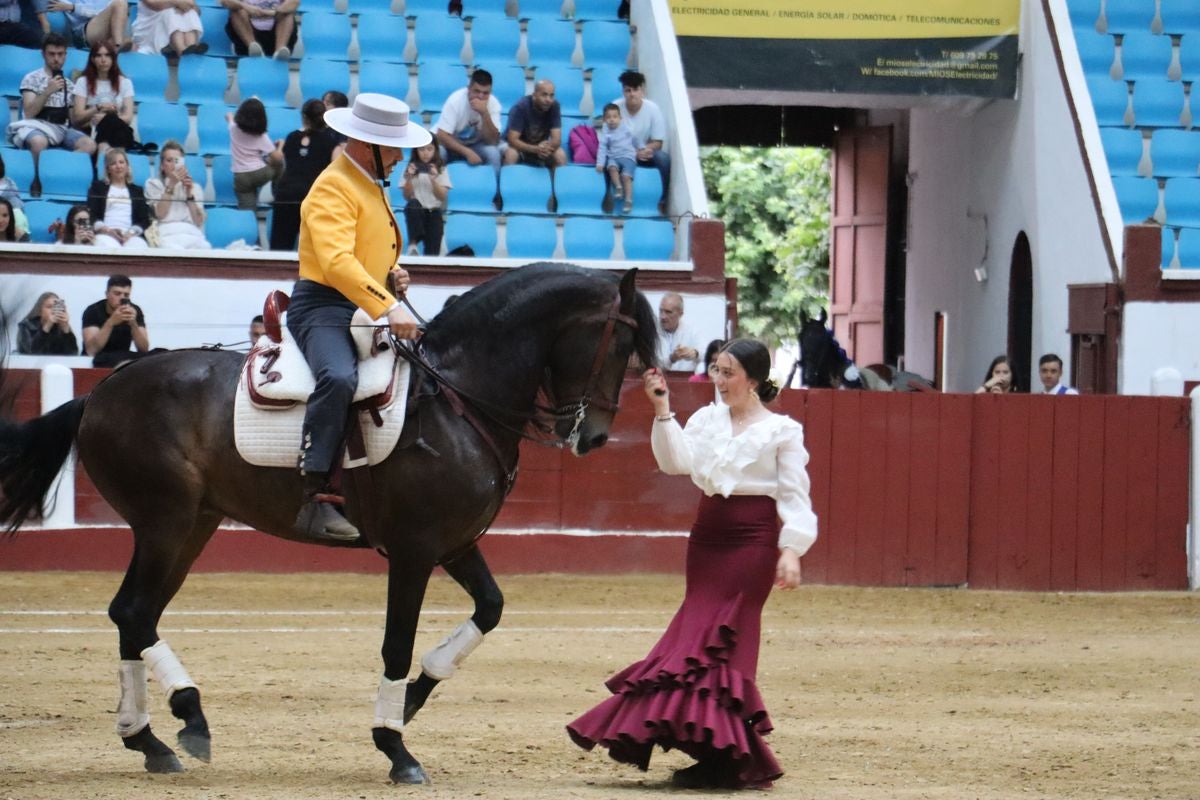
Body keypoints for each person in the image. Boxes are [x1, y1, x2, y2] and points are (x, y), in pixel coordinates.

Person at [568, 339, 816, 790]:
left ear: (753, 381)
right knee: (691, 643)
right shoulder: (706, 419)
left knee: (723, 643)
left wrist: (792, 548)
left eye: (728, 372)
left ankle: (725, 755)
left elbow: (795, 496)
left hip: (753, 545)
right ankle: (716, 752)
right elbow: (675, 463)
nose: (719, 380)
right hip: (707, 542)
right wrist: (662, 409)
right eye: (716, 370)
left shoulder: (782, 431)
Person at [289, 92, 426, 541]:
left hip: (360, 303)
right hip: (323, 306)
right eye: (395, 148)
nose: (401, 157)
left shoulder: (366, 181)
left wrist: (391, 273)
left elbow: (363, 251)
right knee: (339, 377)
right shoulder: (334, 185)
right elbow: (335, 263)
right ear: (369, 146)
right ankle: (314, 495)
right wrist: (387, 305)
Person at [8, 33, 98, 194]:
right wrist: (48, 91)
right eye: (52, 54)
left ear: (65, 55)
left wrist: (93, 111)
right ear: (43, 54)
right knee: (38, 142)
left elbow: (74, 120)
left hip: (62, 127)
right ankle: (37, 181)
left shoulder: (69, 85)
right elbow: (29, 112)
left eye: (60, 54)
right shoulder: (32, 78)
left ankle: (58, 171)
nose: (56, 59)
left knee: (89, 145)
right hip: (36, 125)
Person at [270, 98, 338, 251]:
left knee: (280, 249)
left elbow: (279, 162)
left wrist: (279, 146)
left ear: (304, 117)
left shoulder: (291, 137)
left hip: (286, 196)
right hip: (313, 197)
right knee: (315, 249)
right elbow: (335, 171)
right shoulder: (331, 142)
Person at [614, 70, 669, 214]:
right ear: (623, 92)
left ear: (642, 91)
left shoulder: (653, 109)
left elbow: (658, 142)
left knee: (662, 158)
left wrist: (643, 150)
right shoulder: (615, 109)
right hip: (621, 155)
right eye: (628, 90)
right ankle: (614, 201)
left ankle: (662, 201)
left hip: (643, 154)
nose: (632, 94)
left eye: (635, 89)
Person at [434, 69, 502, 182]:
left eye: (485, 93)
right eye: (477, 91)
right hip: (450, 145)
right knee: (439, 152)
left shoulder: (494, 104)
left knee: (493, 153)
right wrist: (467, 152)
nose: (480, 97)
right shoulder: (455, 100)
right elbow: (441, 135)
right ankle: (438, 190)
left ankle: (494, 190)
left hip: (476, 145)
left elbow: (493, 141)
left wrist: (485, 114)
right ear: (469, 89)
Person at [71, 40, 137, 156]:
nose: (103, 60)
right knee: (116, 129)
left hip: (117, 130)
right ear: (93, 59)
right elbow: (77, 117)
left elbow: (128, 118)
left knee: (112, 123)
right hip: (93, 131)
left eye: (107, 55)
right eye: (99, 56)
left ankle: (101, 160)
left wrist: (105, 118)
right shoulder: (83, 82)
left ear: (113, 59)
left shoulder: (125, 82)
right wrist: (98, 107)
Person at [144, 139, 210, 249]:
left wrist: (189, 195)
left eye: (177, 160)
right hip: (166, 233)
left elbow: (198, 221)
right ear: (162, 165)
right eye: (169, 160)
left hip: (190, 232)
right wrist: (171, 185)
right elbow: (160, 214)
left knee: (205, 247)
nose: (173, 164)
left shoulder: (195, 187)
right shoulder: (153, 184)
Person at [87, 146, 150, 248]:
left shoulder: (137, 191)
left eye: (121, 162)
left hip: (130, 234)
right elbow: (91, 214)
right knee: (105, 245)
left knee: (140, 245)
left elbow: (144, 220)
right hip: (105, 233)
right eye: (113, 163)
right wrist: (107, 230)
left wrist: (131, 233)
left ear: (127, 166)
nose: (118, 166)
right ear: (108, 169)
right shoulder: (97, 188)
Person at [82, 273, 151, 367]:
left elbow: (144, 349)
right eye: (117, 294)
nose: (122, 298)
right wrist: (111, 322)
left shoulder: (135, 310)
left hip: (122, 357)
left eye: (126, 295)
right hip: (99, 359)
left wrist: (133, 324)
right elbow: (91, 350)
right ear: (107, 294)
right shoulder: (93, 310)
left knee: (158, 354)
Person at [227, 97, 284, 210]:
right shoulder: (261, 136)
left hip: (240, 177)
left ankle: (249, 217)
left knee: (247, 209)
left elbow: (229, 118)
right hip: (259, 174)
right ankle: (279, 196)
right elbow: (277, 158)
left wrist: (230, 116)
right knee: (280, 165)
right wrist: (281, 146)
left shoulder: (233, 128)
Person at [501, 79, 566, 169]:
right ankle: (506, 178)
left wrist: (545, 149)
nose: (548, 100)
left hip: (539, 148)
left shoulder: (554, 106)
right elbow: (512, 140)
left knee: (560, 155)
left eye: (551, 96)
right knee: (511, 154)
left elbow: (557, 139)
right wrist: (535, 149)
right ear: (534, 95)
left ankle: (555, 179)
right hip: (519, 148)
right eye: (544, 95)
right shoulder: (520, 107)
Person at [400, 140, 450, 256]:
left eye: (429, 149)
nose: (425, 153)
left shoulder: (441, 169)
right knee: (412, 205)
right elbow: (406, 196)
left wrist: (433, 180)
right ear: (416, 151)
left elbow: (442, 196)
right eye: (422, 149)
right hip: (416, 211)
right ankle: (413, 245)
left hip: (433, 211)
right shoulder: (410, 167)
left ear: (435, 150)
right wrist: (409, 178)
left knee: (432, 253)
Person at [595, 102, 638, 214]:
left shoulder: (626, 129)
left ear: (620, 118)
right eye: (608, 117)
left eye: (615, 117)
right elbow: (602, 148)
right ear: (604, 120)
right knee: (611, 168)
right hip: (614, 156)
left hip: (628, 156)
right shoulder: (605, 133)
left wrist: (641, 148)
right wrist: (600, 163)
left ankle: (628, 200)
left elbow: (635, 139)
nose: (612, 120)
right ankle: (618, 187)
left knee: (626, 176)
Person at [220, 0, 296, 59]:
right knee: (237, 11)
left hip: (275, 31)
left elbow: (294, 2)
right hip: (247, 34)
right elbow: (225, 1)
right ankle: (253, 47)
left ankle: (279, 51)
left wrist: (274, 12)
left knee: (287, 13)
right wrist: (245, 7)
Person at [131, 0, 205, 57]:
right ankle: (181, 50)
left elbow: (197, 11)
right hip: (150, 27)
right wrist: (177, 3)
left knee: (189, 12)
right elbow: (154, 5)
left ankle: (191, 47)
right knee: (170, 12)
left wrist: (188, 7)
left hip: (168, 25)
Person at [49, 0, 130, 51]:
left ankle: (114, 45)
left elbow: (100, 11)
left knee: (121, 6)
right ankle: (117, 46)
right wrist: (73, 7)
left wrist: (73, 7)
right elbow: (63, 5)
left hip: (103, 26)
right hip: (82, 32)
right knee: (120, 3)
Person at [656, 291, 702, 373]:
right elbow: (651, 364)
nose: (662, 316)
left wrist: (695, 353)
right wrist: (671, 359)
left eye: (668, 312)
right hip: (659, 378)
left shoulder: (692, 331)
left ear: (680, 314)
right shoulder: (653, 331)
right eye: (661, 311)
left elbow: (706, 355)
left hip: (686, 379)